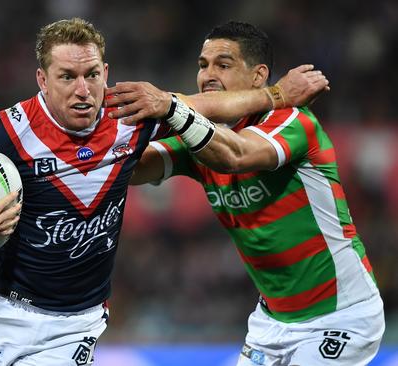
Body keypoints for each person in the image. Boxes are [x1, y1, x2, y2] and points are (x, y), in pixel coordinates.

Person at [0, 18, 327, 366]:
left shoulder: (130, 111)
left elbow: (209, 105)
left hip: (73, 323)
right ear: (42, 80)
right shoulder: (7, 132)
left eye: (91, 75)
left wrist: (275, 95)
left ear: (105, 73)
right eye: (67, 77)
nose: (82, 89)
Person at [112, 21, 384, 365]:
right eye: (202, 65)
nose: (208, 75)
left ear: (259, 76)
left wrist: (171, 109)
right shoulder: (198, 140)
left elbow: (236, 155)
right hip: (271, 322)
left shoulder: (293, 122)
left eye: (223, 65)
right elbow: (130, 169)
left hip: (341, 314)